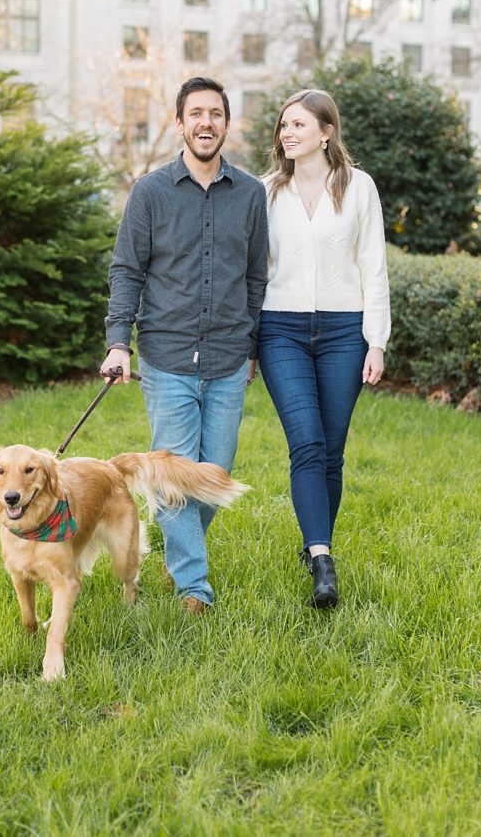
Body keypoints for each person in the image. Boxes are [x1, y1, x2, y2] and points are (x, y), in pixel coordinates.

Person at [102, 76, 268, 614]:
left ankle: (177, 548)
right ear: (179, 123)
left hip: (226, 359)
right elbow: (127, 269)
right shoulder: (150, 192)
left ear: (225, 123)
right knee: (175, 476)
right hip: (166, 357)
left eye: (215, 114)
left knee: (212, 477)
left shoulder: (250, 194)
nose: (205, 123)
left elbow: (255, 277)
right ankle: (193, 587)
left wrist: (252, 348)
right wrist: (118, 342)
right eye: (195, 113)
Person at [257, 88, 389, 609]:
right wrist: (249, 344)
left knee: (332, 451)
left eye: (298, 125)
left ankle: (314, 546)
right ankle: (322, 558)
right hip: (279, 328)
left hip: (344, 330)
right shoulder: (265, 191)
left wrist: (375, 340)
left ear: (326, 133)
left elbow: (373, 268)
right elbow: (255, 271)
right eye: (283, 125)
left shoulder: (360, 188)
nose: (287, 133)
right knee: (307, 443)